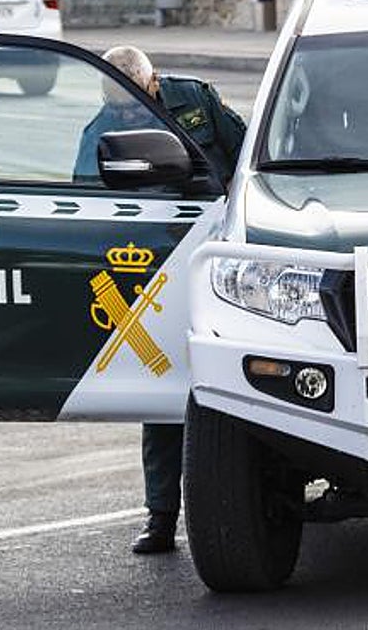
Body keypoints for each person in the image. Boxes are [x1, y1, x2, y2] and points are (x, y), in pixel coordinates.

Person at [93, 46, 246, 553]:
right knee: (163, 394)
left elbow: (248, 151)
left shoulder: (194, 98)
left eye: (132, 100)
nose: (124, 112)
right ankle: (161, 517)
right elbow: (83, 194)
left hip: (223, 254)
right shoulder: (100, 127)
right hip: (155, 268)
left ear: (152, 82)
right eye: (115, 104)